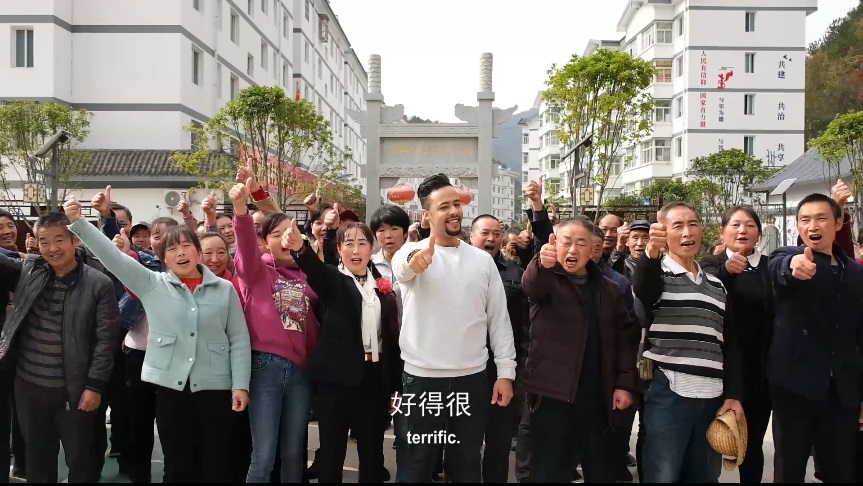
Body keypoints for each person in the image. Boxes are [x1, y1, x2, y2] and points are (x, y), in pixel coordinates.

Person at [65, 197, 251, 483]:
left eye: (187, 246)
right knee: (177, 463)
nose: (180, 253)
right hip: (171, 390)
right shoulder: (152, 284)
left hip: (217, 388)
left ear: (199, 252)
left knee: (216, 463)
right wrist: (79, 223)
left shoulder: (224, 289)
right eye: (172, 249)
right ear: (163, 258)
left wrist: (240, 385)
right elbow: (113, 258)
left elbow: (238, 339)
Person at [392, 174, 516, 483]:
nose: (454, 211)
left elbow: (498, 320)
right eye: (444, 206)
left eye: (457, 204)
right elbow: (405, 267)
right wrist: (415, 263)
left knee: (466, 466)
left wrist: (505, 373)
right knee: (416, 465)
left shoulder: (481, 261)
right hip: (421, 382)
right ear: (427, 215)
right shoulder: (410, 253)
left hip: (471, 381)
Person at [0, 212, 119, 483]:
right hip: (29, 388)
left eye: (59, 240)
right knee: (38, 460)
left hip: (74, 391)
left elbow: (106, 341)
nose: (52, 248)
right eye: (44, 241)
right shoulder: (28, 271)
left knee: (81, 462)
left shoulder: (98, 283)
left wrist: (94, 386)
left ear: (74, 240)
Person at [633, 202, 744, 483]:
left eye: (692, 224)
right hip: (669, 391)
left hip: (712, 397)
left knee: (704, 476)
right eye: (677, 226)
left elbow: (729, 344)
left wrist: (733, 394)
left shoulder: (717, 285)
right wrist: (651, 254)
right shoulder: (658, 275)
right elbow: (644, 287)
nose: (687, 232)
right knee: (663, 474)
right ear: (663, 233)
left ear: (702, 231)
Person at [522, 218, 638, 483]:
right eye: (566, 242)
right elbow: (532, 285)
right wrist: (541, 262)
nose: (572, 250)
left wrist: (625, 384)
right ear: (554, 244)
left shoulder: (611, 290)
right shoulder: (547, 280)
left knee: (601, 469)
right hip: (553, 397)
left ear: (593, 249)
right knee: (550, 471)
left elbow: (626, 340)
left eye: (581, 243)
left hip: (599, 397)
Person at [285, 219, 401, 482]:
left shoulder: (381, 287)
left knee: (372, 452)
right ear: (339, 249)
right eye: (349, 244)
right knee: (332, 451)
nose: (356, 250)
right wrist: (300, 247)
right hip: (335, 382)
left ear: (371, 249)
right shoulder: (333, 281)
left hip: (373, 379)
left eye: (363, 243)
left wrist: (394, 385)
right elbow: (313, 269)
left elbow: (391, 339)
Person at [767, 193, 863, 483]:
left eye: (821, 218)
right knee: (790, 468)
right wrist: (794, 265)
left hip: (842, 389)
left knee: (841, 468)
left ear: (837, 223)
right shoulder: (785, 257)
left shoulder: (856, 273)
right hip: (794, 386)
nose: (812, 226)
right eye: (804, 220)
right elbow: (781, 267)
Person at [230, 180, 320, 483]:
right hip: (265, 366)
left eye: (290, 234)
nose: (284, 239)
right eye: (276, 234)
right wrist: (241, 208)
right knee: (264, 454)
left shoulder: (309, 274)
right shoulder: (256, 271)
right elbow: (244, 242)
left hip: (301, 371)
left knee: (294, 453)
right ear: (264, 241)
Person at [700, 206, 774, 483]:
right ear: (722, 232)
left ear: (759, 233)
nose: (742, 230)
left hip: (758, 372)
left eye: (749, 225)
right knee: (711, 442)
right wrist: (726, 271)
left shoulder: (769, 266)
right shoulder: (708, 265)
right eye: (735, 225)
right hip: (718, 370)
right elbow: (706, 288)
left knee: (751, 445)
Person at [468, 214, 530, 483]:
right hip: (463, 367)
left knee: (499, 440)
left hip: (501, 369)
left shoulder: (517, 274)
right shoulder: (455, 270)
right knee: (462, 441)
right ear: (471, 236)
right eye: (484, 233)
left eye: (496, 233)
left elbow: (525, 326)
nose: (491, 238)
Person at [370, 204, 411, 482]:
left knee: (407, 426)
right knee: (372, 422)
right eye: (381, 230)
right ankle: (375, 470)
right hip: (379, 354)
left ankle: (407, 476)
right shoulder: (366, 264)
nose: (388, 235)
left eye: (394, 228)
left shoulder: (418, 260)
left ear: (405, 233)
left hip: (411, 354)